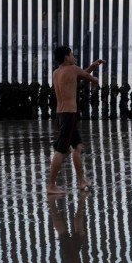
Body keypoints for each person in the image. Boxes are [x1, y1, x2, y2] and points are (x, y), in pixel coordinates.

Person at [46, 46, 105, 194]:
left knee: (77, 147)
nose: (74, 57)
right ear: (66, 57)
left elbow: (79, 75)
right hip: (69, 115)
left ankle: (81, 181)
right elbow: (89, 77)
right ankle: (51, 186)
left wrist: (92, 66)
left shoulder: (57, 72)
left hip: (60, 115)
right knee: (60, 150)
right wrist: (94, 80)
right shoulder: (73, 68)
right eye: (72, 54)